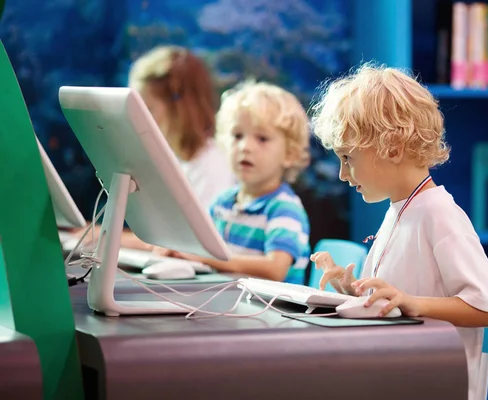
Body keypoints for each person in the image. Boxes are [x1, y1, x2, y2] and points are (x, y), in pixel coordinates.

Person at [309, 63, 488, 400]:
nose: (344, 175)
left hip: (435, 383)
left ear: (391, 147)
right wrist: (352, 290)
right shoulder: (399, 210)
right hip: (398, 374)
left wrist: (411, 303)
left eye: (348, 158)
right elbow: (393, 299)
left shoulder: (439, 214)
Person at [75, 46, 236, 250]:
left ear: (180, 107)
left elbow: (194, 246)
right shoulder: (170, 159)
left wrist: (107, 236)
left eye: (146, 108)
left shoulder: (212, 166)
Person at [156, 81, 311, 283]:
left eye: (262, 139)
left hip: (273, 312)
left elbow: (275, 269)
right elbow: (202, 246)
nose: (245, 146)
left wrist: (207, 258)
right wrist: (180, 249)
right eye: (237, 136)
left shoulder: (284, 209)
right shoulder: (223, 202)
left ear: (289, 153)